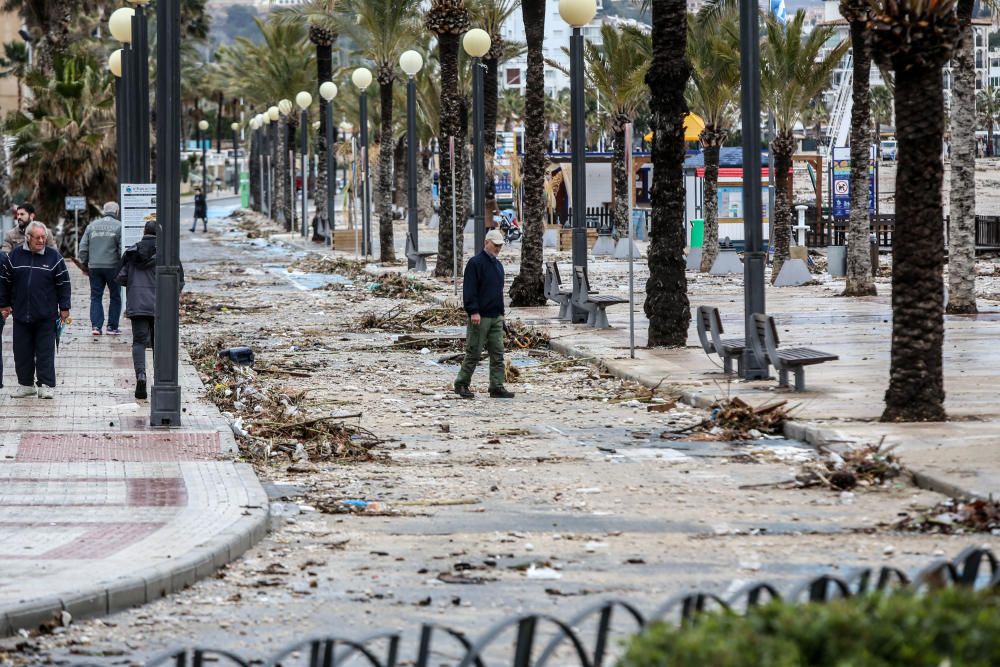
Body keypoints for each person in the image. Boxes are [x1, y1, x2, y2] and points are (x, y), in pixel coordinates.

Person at [0, 221, 72, 399]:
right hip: (21, 314)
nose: (41, 240)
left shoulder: (54, 257)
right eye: (37, 237)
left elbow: (64, 284)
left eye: (43, 237)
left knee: (45, 352)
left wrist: (65, 307)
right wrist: (4, 304)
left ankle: (46, 385)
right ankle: (26, 385)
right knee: (21, 352)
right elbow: (5, 282)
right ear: (28, 238)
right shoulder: (15, 256)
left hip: (46, 315)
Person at [117, 220, 184, 400]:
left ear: (144, 232)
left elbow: (121, 277)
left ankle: (141, 376)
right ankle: (159, 381)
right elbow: (179, 280)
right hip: (161, 307)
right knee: (158, 344)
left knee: (139, 342)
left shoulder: (131, 252)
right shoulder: (168, 253)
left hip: (137, 305)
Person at [454, 229, 514, 399]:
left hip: (495, 316)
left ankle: (496, 386)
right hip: (480, 316)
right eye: (495, 245)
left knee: (498, 353)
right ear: (486, 242)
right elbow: (469, 290)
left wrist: (502, 315)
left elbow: (498, 292)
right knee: (474, 351)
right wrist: (473, 311)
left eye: (500, 246)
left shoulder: (498, 265)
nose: (498, 248)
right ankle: (461, 384)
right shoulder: (475, 263)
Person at [78, 201, 123, 336]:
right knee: (115, 296)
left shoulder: (92, 226)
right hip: (113, 267)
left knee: (96, 297)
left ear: (104, 211)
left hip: (94, 267)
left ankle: (96, 327)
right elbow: (121, 249)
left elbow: (83, 248)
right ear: (117, 212)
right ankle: (112, 327)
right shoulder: (120, 226)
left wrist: (85, 264)